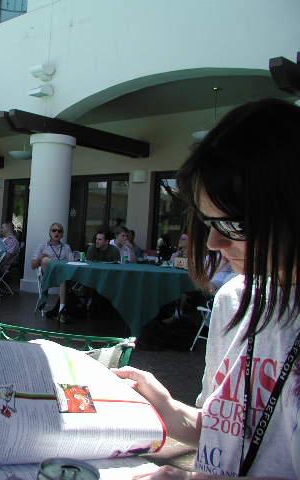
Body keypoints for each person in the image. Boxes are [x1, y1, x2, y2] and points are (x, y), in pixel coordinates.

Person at [113, 98, 300, 478]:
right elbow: (236, 433)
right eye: (208, 222)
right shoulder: (235, 299)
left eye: (235, 225)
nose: (214, 243)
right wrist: (169, 409)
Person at [31, 222, 73, 322]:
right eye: (54, 230)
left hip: (62, 276)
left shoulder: (66, 247)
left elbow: (71, 263)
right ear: (50, 232)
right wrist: (40, 258)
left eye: (59, 231)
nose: (56, 233)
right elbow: (33, 266)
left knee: (63, 277)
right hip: (47, 277)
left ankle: (61, 311)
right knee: (45, 260)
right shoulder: (42, 246)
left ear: (62, 234)